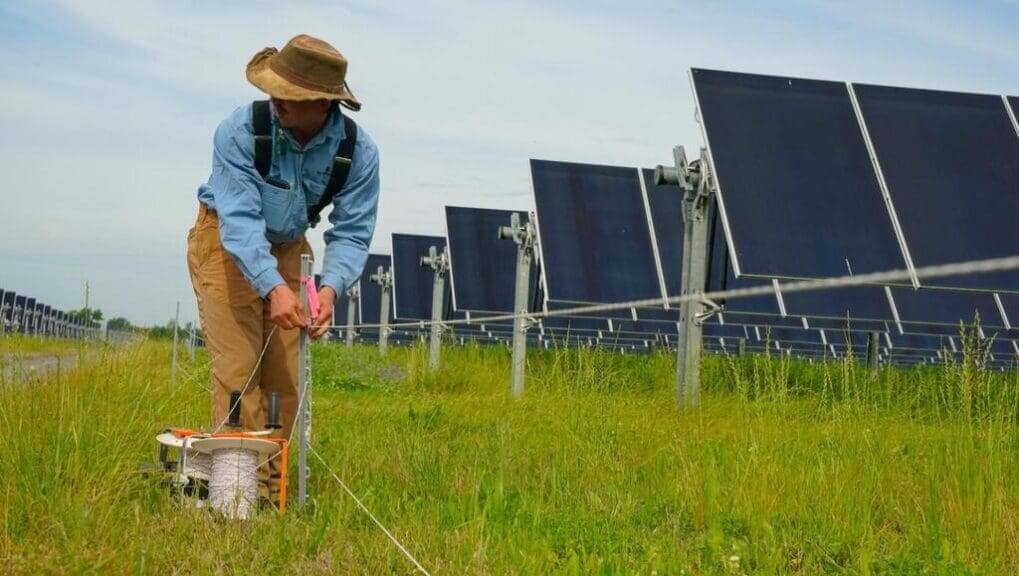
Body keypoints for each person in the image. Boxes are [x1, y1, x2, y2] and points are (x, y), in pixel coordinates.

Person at [187, 34, 380, 502]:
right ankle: (235, 502)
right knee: (239, 374)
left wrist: (329, 291)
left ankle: (271, 498)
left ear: (323, 104)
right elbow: (241, 225)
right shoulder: (237, 132)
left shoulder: (358, 154)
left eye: (288, 96)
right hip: (226, 242)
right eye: (273, 90)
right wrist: (274, 288)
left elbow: (352, 231)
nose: (275, 102)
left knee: (284, 382)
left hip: (290, 245)